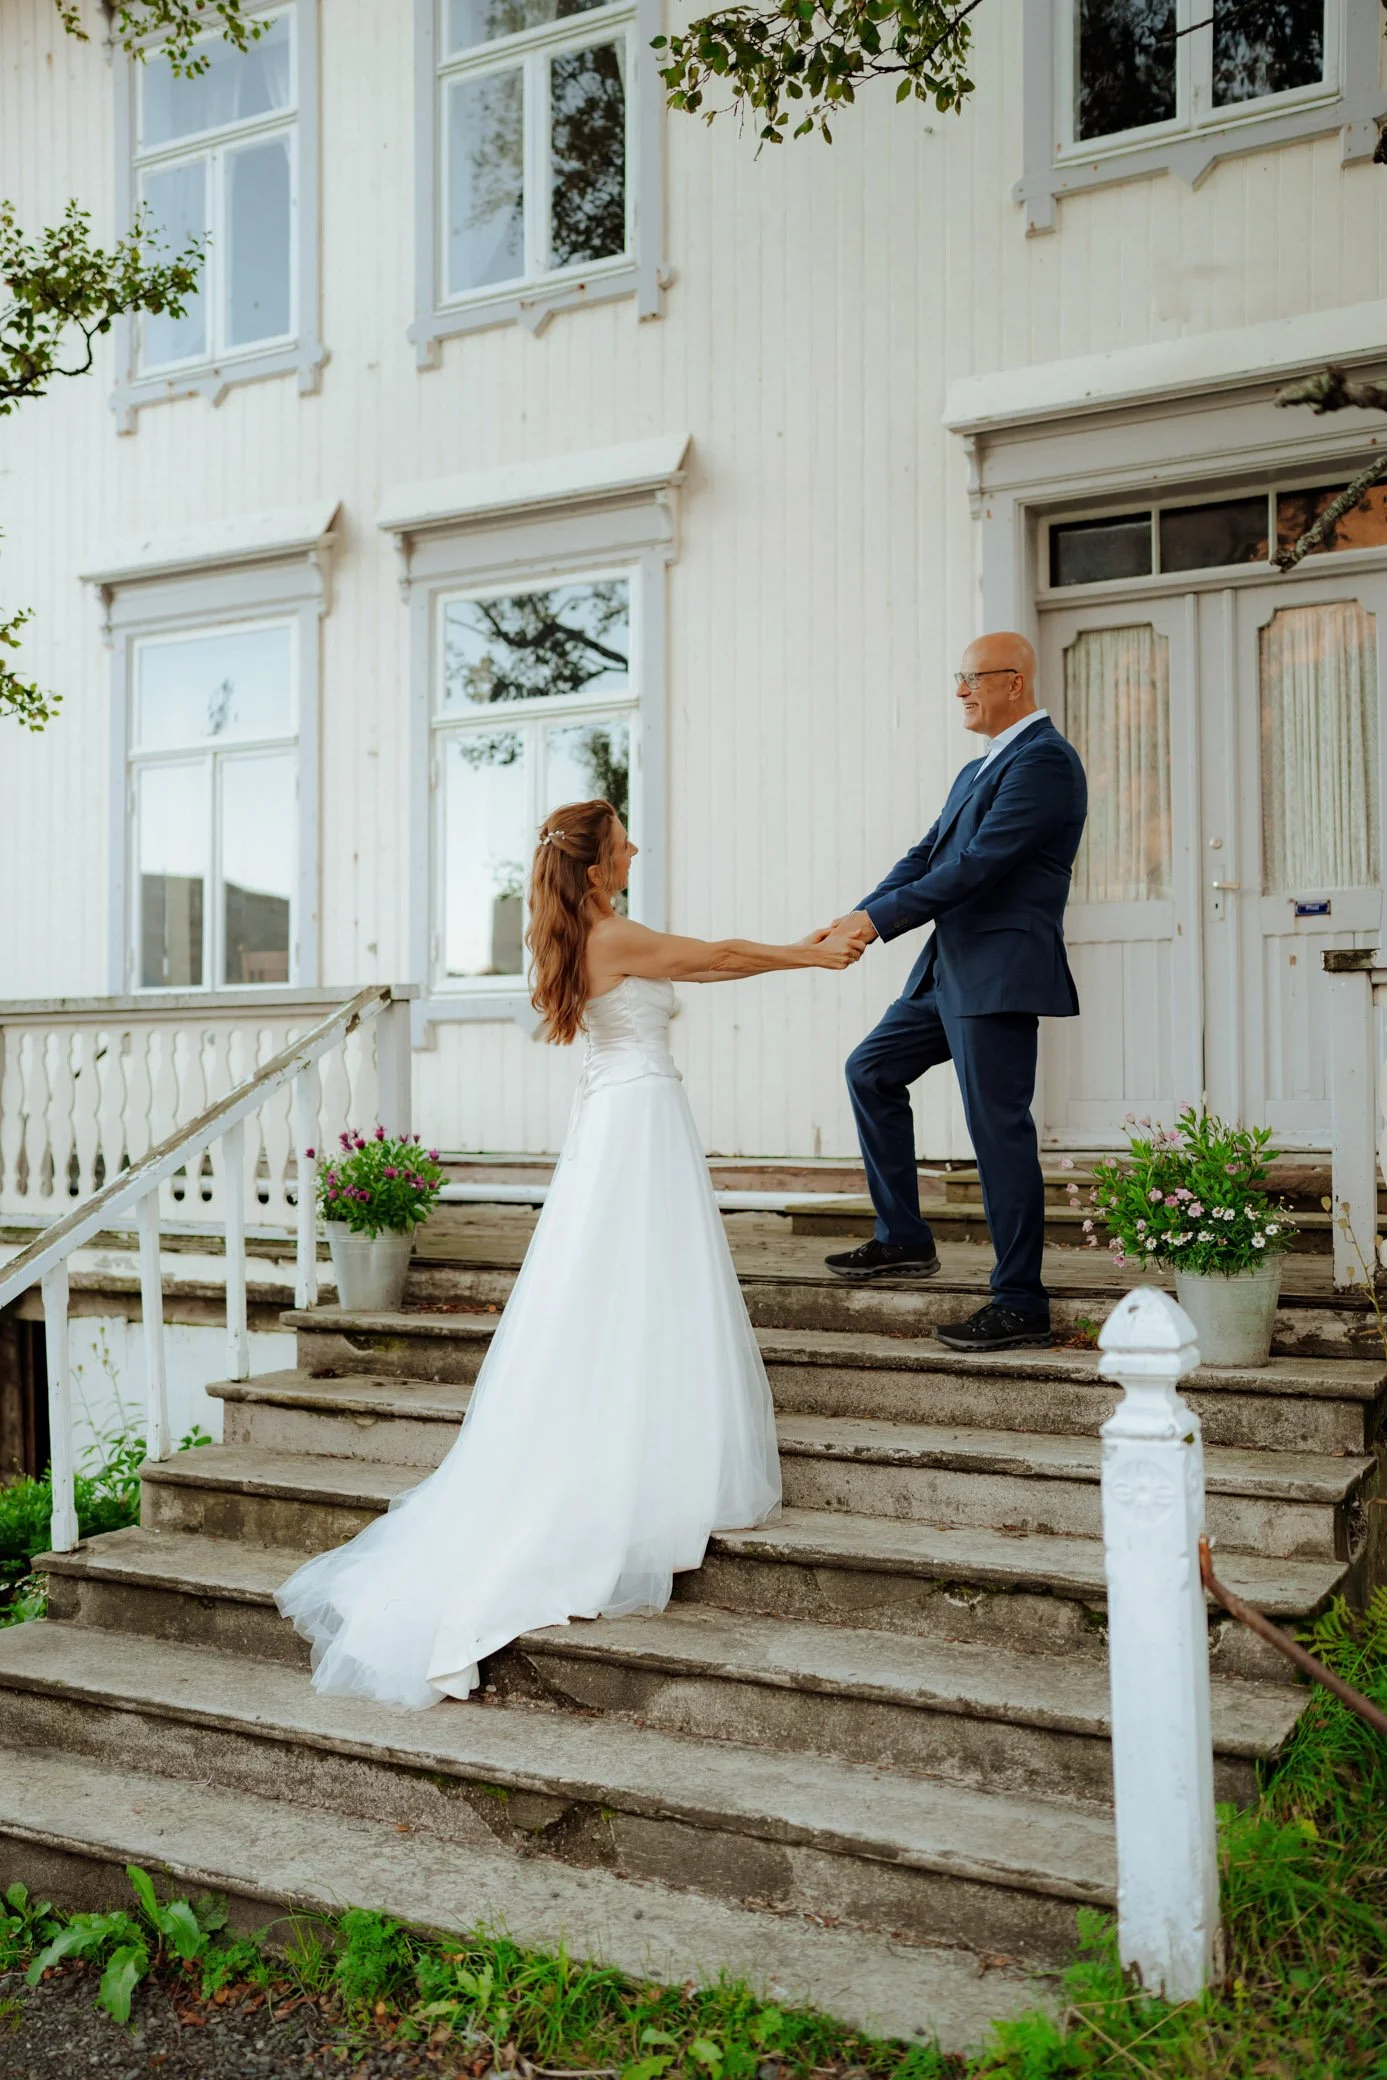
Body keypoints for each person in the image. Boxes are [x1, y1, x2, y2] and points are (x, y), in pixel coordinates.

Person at [276, 799, 865, 1708]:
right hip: (635, 1120)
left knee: (630, 1289)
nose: (635, 849)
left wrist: (799, 948)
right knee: (638, 1284)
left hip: (624, 1116)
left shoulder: (582, 935)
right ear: (594, 867)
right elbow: (714, 958)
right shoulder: (612, 936)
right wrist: (808, 953)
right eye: (622, 842)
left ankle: (650, 1441)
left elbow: (706, 958)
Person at [822, 632, 1087, 1352]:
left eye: (972, 679)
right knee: (870, 1070)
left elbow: (977, 865)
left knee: (996, 1130)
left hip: (998, 972)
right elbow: (926, 855)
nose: (960, 692)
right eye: (958, 679)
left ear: (1015, 682)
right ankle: (903, 1237)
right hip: (947, 970)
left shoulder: (1044, 762)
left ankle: (1020, 1302)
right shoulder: (979, 767)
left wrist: (877, 924)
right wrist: (856, 917)